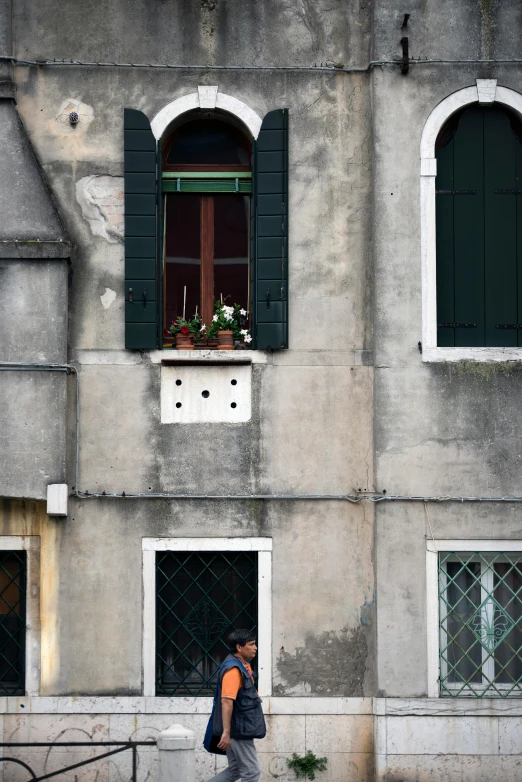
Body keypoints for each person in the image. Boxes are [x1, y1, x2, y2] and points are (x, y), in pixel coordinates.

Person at [207, 629, 266, 782]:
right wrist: (226, 732)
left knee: (235, 771)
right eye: (251, 644)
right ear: (239, 647)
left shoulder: (242, 666)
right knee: (251, 773)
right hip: (238, 730)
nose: (255, 648)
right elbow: (226, 702)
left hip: (239, 728)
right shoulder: (233, 670)